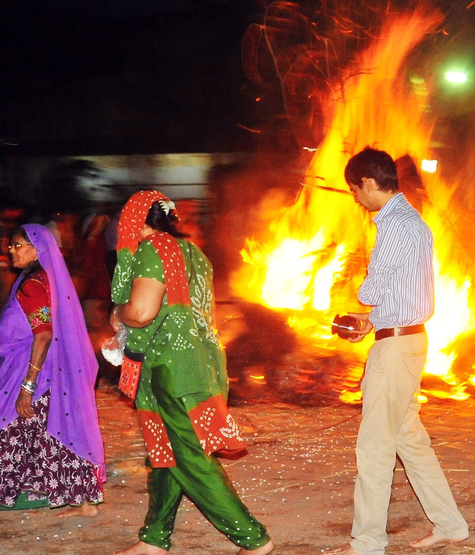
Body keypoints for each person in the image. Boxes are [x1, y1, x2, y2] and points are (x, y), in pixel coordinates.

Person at [110, 190, 274, 555]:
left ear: (135, 220)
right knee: (164, 451)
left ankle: (254, 540)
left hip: (171, 367)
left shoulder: (153, 251)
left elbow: (141, 312)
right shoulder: (193, 253)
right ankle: (154, 539)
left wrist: (117, 313)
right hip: (199, 362)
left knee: (189, 456)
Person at [329, 147, 469, 555]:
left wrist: (364, 300)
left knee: (374, 447)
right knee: (409, 440)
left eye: (355, 189)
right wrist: (372, 319)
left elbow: (373, 285)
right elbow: (402, 292)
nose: (355, 197)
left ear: (370, 184)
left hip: (396, 348)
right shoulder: (413, 220)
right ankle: (450, 524)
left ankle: (367, 542)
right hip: (407, 336)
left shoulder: (394, 225)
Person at [0, 224, 105, 514]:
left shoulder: (33, 285)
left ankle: (23, 490)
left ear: (37, 250)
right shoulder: (40, 279)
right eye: (11, 245)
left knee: (15, 431)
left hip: (32, 373)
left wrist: (27, 387)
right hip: (44, 372)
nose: (11, 250)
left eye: (18, 245)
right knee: (57, 435)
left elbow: (43, 335)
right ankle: (84, 503)